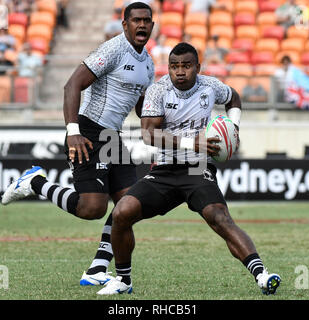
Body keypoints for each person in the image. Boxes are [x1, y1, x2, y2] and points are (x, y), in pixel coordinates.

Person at [96, 42, 281, 295]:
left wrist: (234, 128)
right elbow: (149, 135)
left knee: (219, 216)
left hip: (196, 166)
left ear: (197, 67)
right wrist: (192, 142)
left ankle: (262, 275)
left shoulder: (210, 86)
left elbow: (234, 98)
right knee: (121, 213)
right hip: (164, 169)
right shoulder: (158, 91)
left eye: (186, 66)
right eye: (174, 66)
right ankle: (124, 281)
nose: (179, 72)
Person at [1, 2, 155, 286]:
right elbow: (72, 85)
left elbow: (141, 106)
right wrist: (72, 130)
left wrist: (158, 127)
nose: (142, 25)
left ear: (152, 25)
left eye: (147, 20)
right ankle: (36, 183)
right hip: (88, 130)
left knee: (129, 206)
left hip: (113, 136)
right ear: (125, 24)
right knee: (92, 208)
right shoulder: (112, 50)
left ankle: (97, 269)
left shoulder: (148, 64)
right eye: (136, 20)